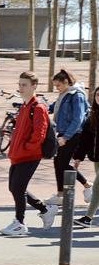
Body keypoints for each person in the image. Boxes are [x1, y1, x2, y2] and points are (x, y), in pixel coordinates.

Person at [0, 71, 56, 236]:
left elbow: (39, 134)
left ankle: (20, 223)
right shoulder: (25, 106)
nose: (21, 87)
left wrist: (26, 148)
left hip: (29, 156)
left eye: (24, 85)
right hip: (18, 155)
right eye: (19, 84)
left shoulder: (38, 108)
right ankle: (45, 209)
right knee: (14, 187)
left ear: (34, 86)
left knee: (18, 188)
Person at [48, 69, 91, 205]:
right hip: (63, 132)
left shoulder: (77, 95)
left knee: (62, 163)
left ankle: (87, 185)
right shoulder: (64, 94)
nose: (57, 88)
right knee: (58, 162)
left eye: (58, 85)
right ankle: (61, 194)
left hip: (74, 134)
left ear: (66, 82)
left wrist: (66, 137)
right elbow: (54, 107)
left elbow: (78, 119)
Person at [73, 86, 99, 227]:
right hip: (97, 158)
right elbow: (85, 140)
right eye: (97, 95)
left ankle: (88, 218)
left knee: (97, 188)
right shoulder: (92, 116)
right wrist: (78, 157)